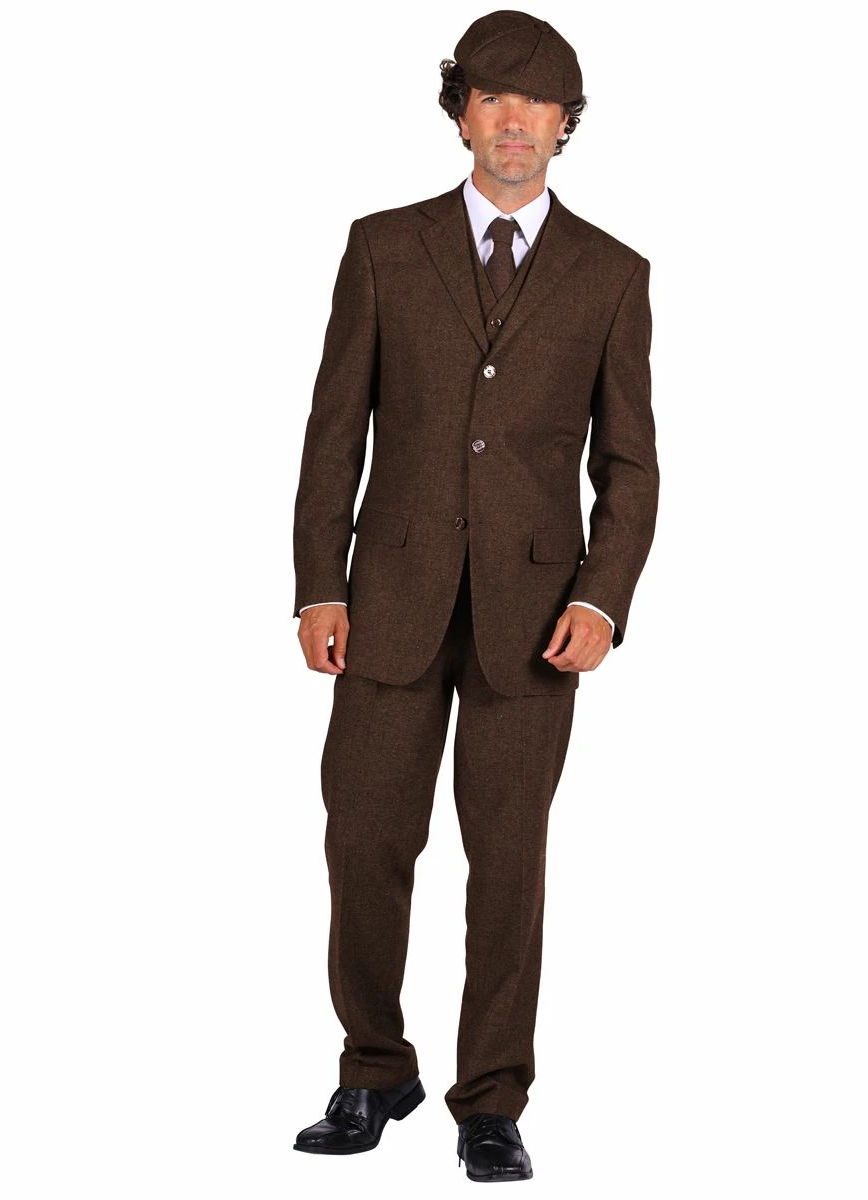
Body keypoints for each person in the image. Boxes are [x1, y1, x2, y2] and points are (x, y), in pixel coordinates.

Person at [290, 10, 659, 1183]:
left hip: (535, 621)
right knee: (364, 840)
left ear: (565, 124)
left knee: (507, 862)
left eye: (537, 102)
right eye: (493, 96)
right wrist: (318, 583)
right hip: (388, 600)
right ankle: (373, 1069)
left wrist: (602, 600)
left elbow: (632, 464)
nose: (514, 120)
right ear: (461, 114)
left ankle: (491, 1097)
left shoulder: (613, 274)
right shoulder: (383, 248)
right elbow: (334, 429)